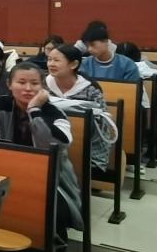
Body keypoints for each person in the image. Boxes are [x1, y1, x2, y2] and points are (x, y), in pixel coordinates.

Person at [0, 63, 83, 248]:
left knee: (51, 210)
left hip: (49, 180)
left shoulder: (53, 112)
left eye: (34, 83)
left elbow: (58, 142)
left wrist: (34, 109)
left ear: (42, 87)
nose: (28, 88)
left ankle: (51, 251)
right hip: (5, 173)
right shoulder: (0, 105)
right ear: (9, 84)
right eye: (21, 82)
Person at [46, 44, 116, 174]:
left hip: (89, 147)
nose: (51, 64)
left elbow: (104, 122)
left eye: (56, 60)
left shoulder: (90, 89)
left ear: (73, 64)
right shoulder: (44, 84)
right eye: (49, 59)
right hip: (53, 143)